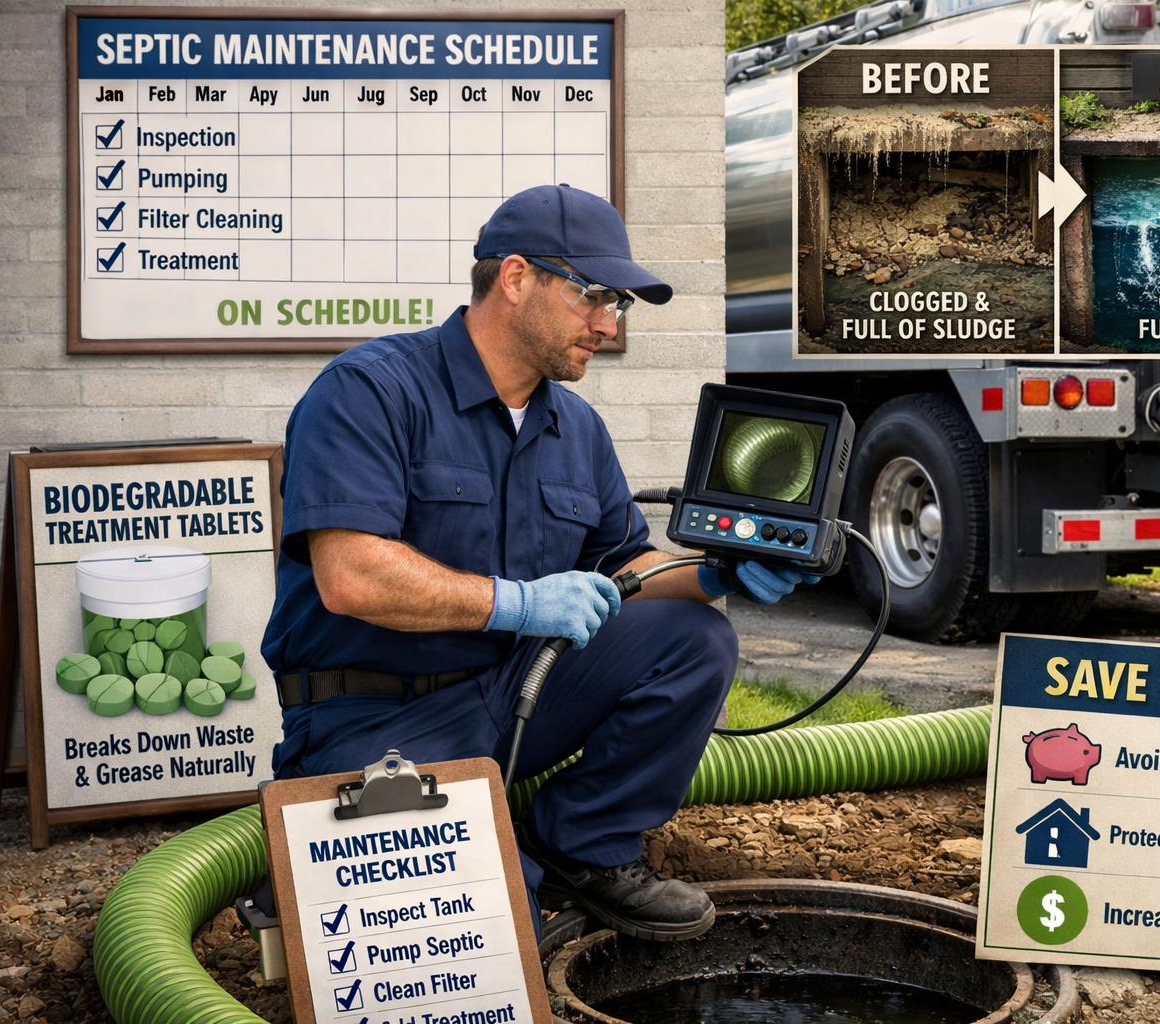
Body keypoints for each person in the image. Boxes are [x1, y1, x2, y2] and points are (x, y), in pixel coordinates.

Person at [262, 184, 814, 942]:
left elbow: (627, 565)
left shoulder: (575, 427)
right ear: (515, 278)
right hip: (373, 717)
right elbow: (351, 574)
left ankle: (581, 843)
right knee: (492, 936)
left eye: (616, 303)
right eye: (592, 294)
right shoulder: (370, 390)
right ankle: (457, 861)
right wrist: (517, 605)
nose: (607, 323)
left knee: (694, 635)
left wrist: (718, 574)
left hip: (515, 694)